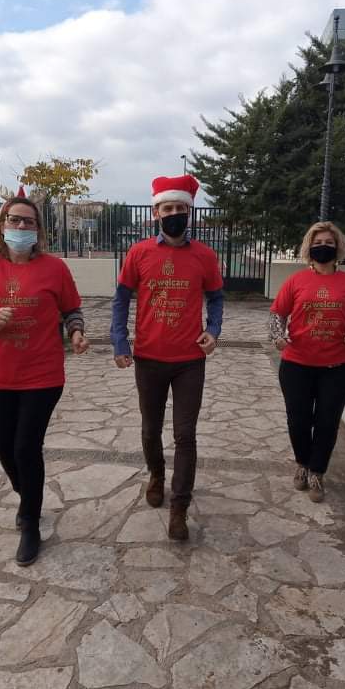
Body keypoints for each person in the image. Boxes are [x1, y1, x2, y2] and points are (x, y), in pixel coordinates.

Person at [0, 190, 89, 566]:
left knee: (25, 447)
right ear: (2, 225)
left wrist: (76, 333)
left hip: (43, 375)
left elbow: (72, 309)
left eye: (28, 221)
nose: (21, 226)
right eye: (14, 219)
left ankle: (31, 522)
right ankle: (28, 496)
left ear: (38, 229)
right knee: (4, 447)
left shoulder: (55, 269)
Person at [111, 174, 223, 540]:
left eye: (180, 208)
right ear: (156, 213)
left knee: (185, 434)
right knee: (150, 429)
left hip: (190, 360)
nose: (174, 214)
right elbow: (121, 299)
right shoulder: (139, 253)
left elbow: (216, 297)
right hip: (149, 359)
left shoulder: (204, 256)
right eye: (167, 208)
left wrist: (214, 330)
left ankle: (179, 507)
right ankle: (157, 474)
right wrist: (119, 341)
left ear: (189, 212)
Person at [269, 221, 345, 503]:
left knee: (327, 421)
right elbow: (278, 313)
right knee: (298, 420)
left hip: (337, 367)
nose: (323, 247)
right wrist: (278, 336)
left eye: (328, 243)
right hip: (297, 365)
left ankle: (317, 472)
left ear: (338, 247)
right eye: (317, 243)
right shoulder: (296, 281)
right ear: (308, 248)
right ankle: (302, 464)